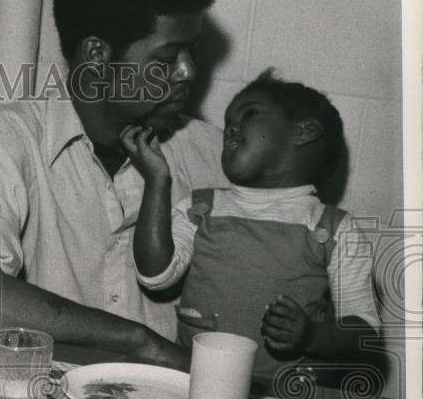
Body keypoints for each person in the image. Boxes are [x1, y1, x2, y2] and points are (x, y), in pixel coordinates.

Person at [0, 0, 227, 369]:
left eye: (193, 52)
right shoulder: (8, 136)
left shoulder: (212, 154)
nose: (188, 72)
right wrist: (139, 342)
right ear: (97, 54)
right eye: (167, 59)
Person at [124, 69, 380, 379]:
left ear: (304, 131)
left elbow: (364, 333)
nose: (231, 129)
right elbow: (155, 276)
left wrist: (311, 335)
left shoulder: (335, 229)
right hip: (197, 381)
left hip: (284, 395)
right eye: (229, 123)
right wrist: (157, 180)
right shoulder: (201, 206)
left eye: (249, 115)